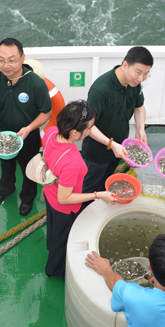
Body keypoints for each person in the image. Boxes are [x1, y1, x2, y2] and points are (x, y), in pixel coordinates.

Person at [43, 101, 118, 280]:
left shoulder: (51, 132)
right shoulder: (72, 162)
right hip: (63, 208)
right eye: (89, 128)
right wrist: (99, 195)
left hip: (49, 194)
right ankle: (55, 269)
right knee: (62, 241)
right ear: (75, 132)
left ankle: (51, 248)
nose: (91, 130)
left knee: (53, 231)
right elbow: (64, 198)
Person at [0, 38, 52, 217]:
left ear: (22, 58)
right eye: (1, 60)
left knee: (29, 169)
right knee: (5, 166)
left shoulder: (36, 83)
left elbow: (46, 113)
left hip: (28, 136)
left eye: (11, 60)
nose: (6, 65)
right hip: (2, 134)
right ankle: (6, 189)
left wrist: (29, 128)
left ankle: (27, 198)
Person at [81, 46, 151, 197]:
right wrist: (111, 144)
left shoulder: (134, 84)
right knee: (89, 188)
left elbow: (139, 106)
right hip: (98, 152)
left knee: (106, 181)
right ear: (125, 65)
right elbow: (88, 126)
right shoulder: (100, 90)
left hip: (120, 147)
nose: (141, 79)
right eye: (138, 73)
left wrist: (141, 128)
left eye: (146, 74)